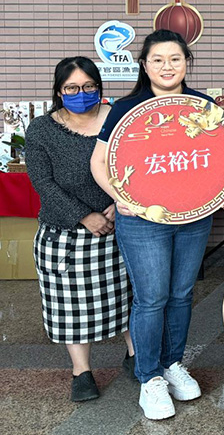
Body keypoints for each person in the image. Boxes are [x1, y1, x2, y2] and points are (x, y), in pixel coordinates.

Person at [90, 29, 224, 421]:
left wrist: (223, 190)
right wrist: (121, 197)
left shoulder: (203, 107)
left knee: (181, 294)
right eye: (158, 59)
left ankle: (172, 365)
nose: (167, 66)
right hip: (143, 221)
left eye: (175, 58)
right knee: (151, 297)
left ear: (187, 62)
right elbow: (99, 164)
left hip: (193, 218)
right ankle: (149, 377)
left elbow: (221, 158)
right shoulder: (126, 109)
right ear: (144, 65)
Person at [26, 57, 133, 402]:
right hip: (65, 234)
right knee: (71, 307)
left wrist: (120, 205)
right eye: (72, 88)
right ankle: (81, 372)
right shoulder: (42, 128)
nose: (81, 94)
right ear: (59, 91)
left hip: (120, 225)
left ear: (99, 87)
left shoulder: (117, 119)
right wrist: (83, 216)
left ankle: (136, 356)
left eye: (89, 87)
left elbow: (137, 165)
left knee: (131, 298)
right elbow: (42, 182)